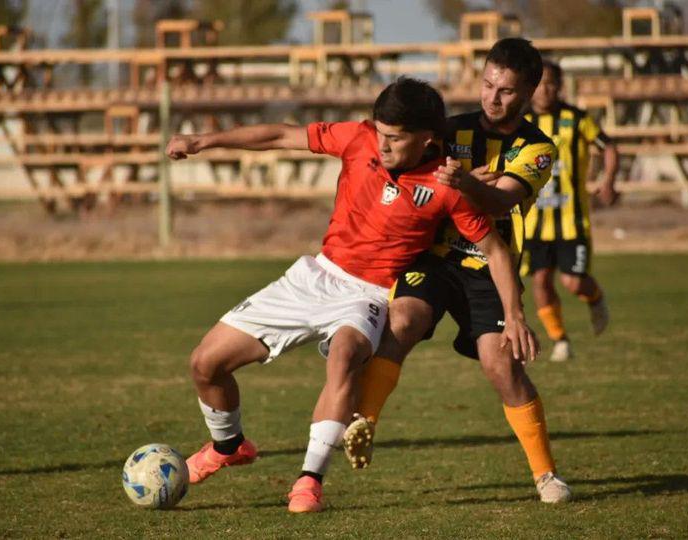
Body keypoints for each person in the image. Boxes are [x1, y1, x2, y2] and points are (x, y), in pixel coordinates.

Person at [165, 77, 537, 513]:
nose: (383, 145)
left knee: (345, 354)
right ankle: (228, 447)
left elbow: (495, 250)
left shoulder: (447, 186)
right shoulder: (358, 139)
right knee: (205, 364)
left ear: (427, 138)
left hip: (371, 294)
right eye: (380, 132)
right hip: (315, 275)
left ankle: (309, 480)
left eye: (395, 138)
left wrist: (514, 314)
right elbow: (280, 135)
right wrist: (202, 141)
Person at [343, 38, 573, 503]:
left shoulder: (537, 148)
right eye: (487, 85)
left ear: (528, 91)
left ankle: (546, 475)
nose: (492, 98)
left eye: (506, 91)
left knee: (501, 365)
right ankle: (363, 421)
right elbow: (402, 167)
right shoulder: (449, 131)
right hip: (435, 258)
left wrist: (463, 182)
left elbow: (500, 202)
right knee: (402, 320)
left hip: (490, 265)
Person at [521, 60, 619, 361]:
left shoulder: (576, 119)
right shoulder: (521, 123)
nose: (545, 90)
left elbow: (609, 147)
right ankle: (560, 339)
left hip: (571, 220)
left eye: (551, 83)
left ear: (560, 86)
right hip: (534, 223)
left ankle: (596, 297)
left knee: (573, 281)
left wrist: (608, 180)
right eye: (540, 83)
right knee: (540, 281)